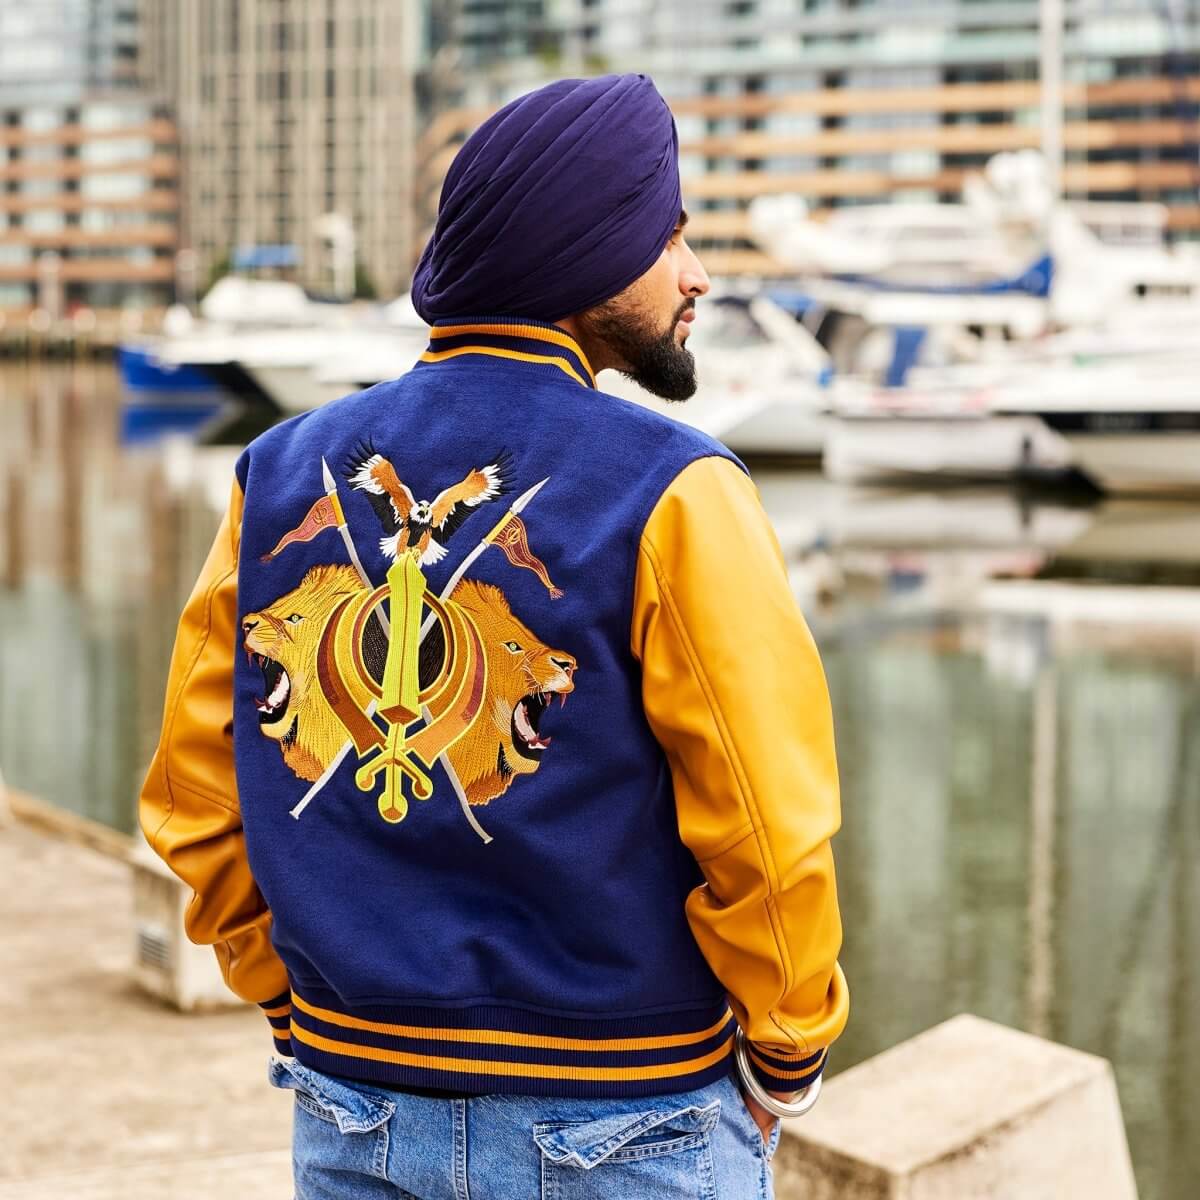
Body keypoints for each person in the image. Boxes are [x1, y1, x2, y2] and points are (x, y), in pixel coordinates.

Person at [139, 72, 848, 1199]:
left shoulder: (275, 476)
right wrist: (789, 1048)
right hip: (628, 1121)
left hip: (354, 1111)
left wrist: (281, 992)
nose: (698, 274)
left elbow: (194, 795)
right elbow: (767, 832)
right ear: (586, 249)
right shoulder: (677, 492)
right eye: (670, 236)